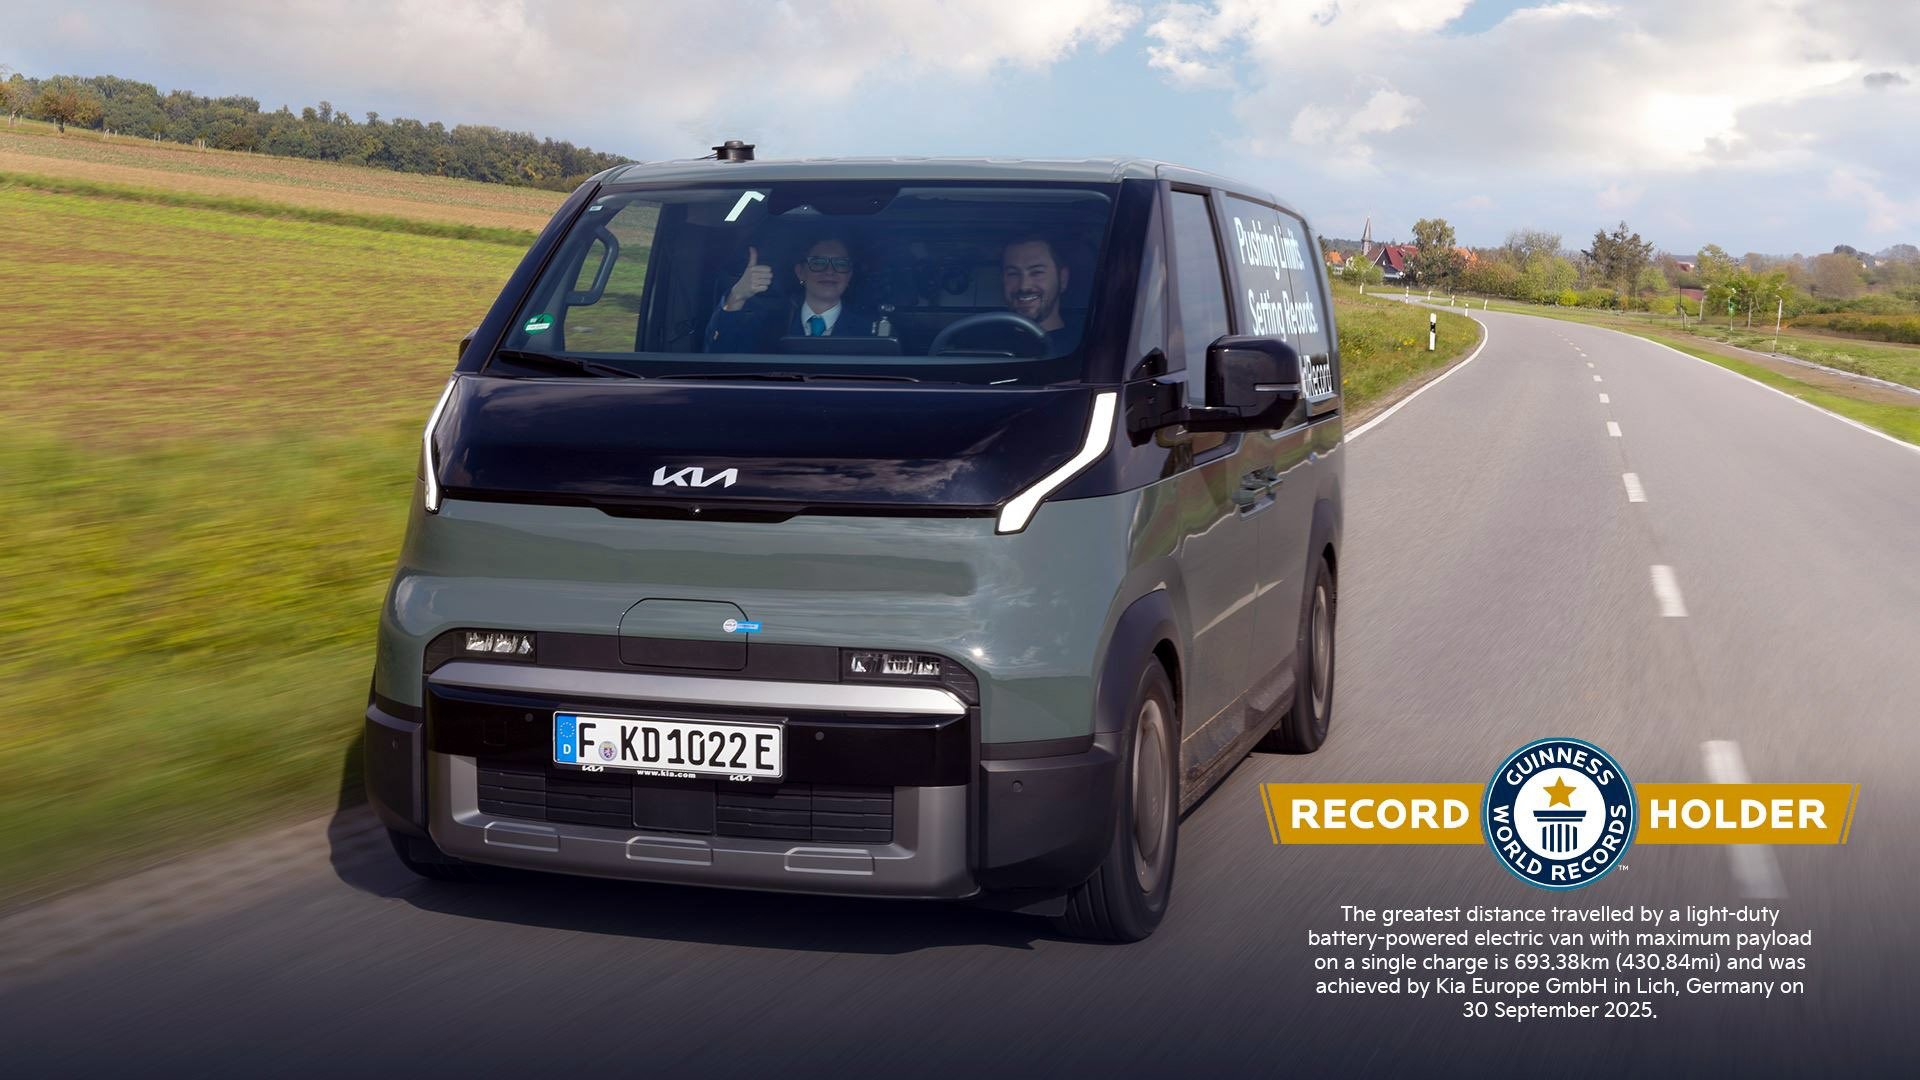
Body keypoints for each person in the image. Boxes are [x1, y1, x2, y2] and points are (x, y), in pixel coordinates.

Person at [706, 237, 878, 351]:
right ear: (800, 272)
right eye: (818, 263)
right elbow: (719, 354)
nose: (829, 271)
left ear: (849, 275)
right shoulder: (767, 324)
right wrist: (737, 295)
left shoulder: (872, 331)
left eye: (840, 264)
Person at [1002, 236, 1082, 356]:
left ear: (1062, 279)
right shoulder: (980, 340)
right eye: (1013, 274)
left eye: (1037, 272)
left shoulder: (1084, 347)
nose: (1024, 286)